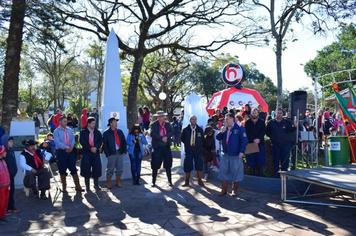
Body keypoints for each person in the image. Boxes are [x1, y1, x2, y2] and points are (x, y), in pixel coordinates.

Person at [216, 113, 248, 197]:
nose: (225, 121)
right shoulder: (224, 128)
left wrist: (242, 151)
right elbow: (218, 138)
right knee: (223, 172)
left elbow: (244, 141)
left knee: (236, 173)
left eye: (227, 119)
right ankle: (224, 190)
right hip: (225, 154)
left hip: (236, 155)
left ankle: (234, 190)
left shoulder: (240, 129)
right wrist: (221, 132)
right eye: (225, 119)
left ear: (233, 119)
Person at [53, 116, 84, 193]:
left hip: (70, 152)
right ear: (60, 122)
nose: (66, 122)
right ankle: (64, 186)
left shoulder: (69, 130)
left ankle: (77, 185)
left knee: (73, 168)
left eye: (66, 121)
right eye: (64, 121)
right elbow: (57, 142)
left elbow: (73, 139)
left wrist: (71, 147)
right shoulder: (56, 131)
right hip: (61, 152)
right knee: (62, 169)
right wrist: (66, 147)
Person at [266, 108, 298, 177]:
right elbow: (267, 132)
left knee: (284, 161)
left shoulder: (286, 122)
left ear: (282, 114)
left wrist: (295, 126)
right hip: (275, 144)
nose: (279, 114)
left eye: (280, 113)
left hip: (284, 145)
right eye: (278, 113)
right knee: (276, 161)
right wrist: (272, 137)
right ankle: (276, 175)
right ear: (275, 114)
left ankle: (284, 176)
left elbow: (291, 129)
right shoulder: (271, 122)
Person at [150, 111, 174, 187]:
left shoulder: (167, 124)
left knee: (168, 164)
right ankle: (153, 181)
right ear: (158, 117)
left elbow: (171, 131)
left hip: (166, 147)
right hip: (157, 147)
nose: (162, 117)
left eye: (163, 116)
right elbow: (153, 133)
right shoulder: (154, 124)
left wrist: (166, 137)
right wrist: (161, 138)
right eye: (161, 116)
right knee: (155, 165)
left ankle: (170, 181)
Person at [103, 117, 127, 189]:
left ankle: (118, 181)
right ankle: (109, 182)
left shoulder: (120, 132)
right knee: (110, 169)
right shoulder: (106, 133)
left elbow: (123, 142)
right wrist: (107, 154)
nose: (116, 123)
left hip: (119, 152)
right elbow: (105, 144)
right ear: (110, 124)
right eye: (114, 122)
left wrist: (124, 151)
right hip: (111, 153)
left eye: (116, 122)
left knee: (119, 168)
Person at [80, 117, 103, 191]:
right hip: (87, 152)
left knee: (96, 168)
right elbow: (82, 142)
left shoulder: (97, 132)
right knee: (86, 168)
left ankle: (96, 184)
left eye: (94, 123)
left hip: (95, 152)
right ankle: (87, 185)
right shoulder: (83, 132)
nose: (94, 124)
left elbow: (100, 140)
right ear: (88, 123)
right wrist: (90, 148)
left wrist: (96, 147)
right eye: (92, 123)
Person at [181, 115, 205, 187]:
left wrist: (199, 147)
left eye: (195, 119)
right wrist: (188, 145)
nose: (194, 121)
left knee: (199, 166)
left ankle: (199, 180)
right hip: (189, 151)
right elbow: (182, 138)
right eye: (193, 119)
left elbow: (202, 140)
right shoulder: (185, 129)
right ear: (190, 120)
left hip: (198, 151)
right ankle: (187, 181)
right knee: (187, 166)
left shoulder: (200, 129)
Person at [244, 108, 266, 177]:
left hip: (260, 143)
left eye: (255, 113)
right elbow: (247, 132)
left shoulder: (262, 122)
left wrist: (258, 139)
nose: (254, 114)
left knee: (260, 159)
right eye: (253, 113)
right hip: (251, 143)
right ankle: (252, 174)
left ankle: (260, 174)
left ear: (258, 114)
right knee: (251, 160)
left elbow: (263, 131)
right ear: (251, 114)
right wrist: (253, 139)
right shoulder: (247, 122)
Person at [2, 135, 19, 213]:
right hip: (6, 176)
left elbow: (13, 162)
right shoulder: (3, 152)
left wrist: (15, 170)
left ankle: (11, 206)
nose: (12, 143)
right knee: (5, 193)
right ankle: (5, 209)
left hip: (12, 174)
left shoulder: (11, 151)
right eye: (10, 141)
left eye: (12, 141)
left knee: (11, 191)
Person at [0, 146, 10, 224]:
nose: (6, 153)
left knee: (5, 201)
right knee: (1, 202)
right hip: (1, 186)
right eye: (4, 152)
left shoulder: (3, 161)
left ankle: (2, 215)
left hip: (6, 184)